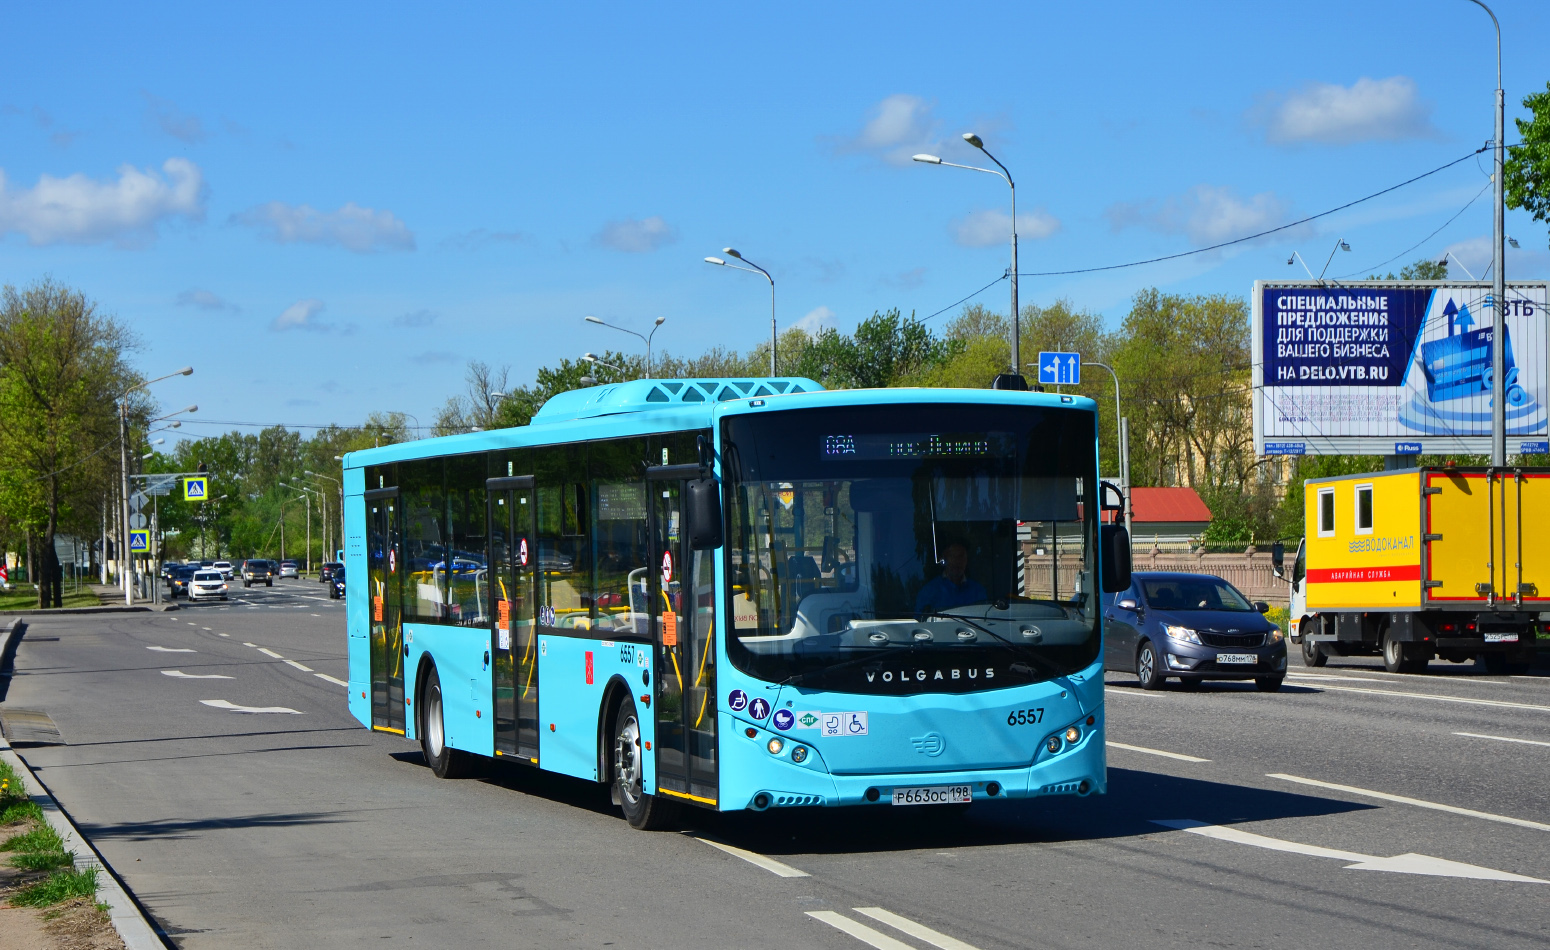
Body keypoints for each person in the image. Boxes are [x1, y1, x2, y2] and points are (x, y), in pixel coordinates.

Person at [914, 542, 987, 613]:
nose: (957, 561)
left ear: (966, 560)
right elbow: (920, 622)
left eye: (961, 556)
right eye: (952, 556)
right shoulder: (928, 591)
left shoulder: (978, 591)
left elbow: (986, 619)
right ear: (944, 560)